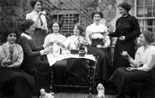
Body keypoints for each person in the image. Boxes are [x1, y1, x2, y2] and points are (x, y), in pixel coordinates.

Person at [109, 30, 155, 98]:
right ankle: (120, 91)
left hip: (149, 72)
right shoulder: (140, 49)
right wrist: (129, 58)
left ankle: (122, 95)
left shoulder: (152, 50)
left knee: (126, 75)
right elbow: (137, 63)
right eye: (139, 37)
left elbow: (148, 67)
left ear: (147, 38)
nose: (139, 39)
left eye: (141, 37)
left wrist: (135, 69)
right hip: (141, 69)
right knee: (120, 70)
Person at [18, 19, 53, 95]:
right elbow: (30, 53)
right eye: (32, 27)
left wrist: (45, 46)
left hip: (31, 61)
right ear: (27, 27)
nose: (34, 29)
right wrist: (44, 52)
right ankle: (43, 89)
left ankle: (43, 88)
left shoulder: (27, 36)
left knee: (47, 64)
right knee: (47, 65)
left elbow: (34, 49)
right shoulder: (23, 38)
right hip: (27, 63)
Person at [0, 28, 37, 97]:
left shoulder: (19, 47)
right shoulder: (2, 48)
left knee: (29, 78)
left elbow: (19, 62)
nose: (13, 38)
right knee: (18, 77)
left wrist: (11, 66)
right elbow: (3, 62)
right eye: (10, 36)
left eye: (14, 36)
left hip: (15, 68)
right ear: (6, 37)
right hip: (4, 70)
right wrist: (9, 54)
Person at [108, 2, 140, 73]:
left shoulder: (133, 19)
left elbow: (137, 32)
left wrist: (126, 37)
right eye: (119, 10)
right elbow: (117, 33)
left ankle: (126, 80)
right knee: (118, 61)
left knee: (125, 61)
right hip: (119, 44)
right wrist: (109, 33)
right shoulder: (118, 20)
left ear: (126, 9)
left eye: (121, 9)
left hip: (129, 43)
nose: (120, 11)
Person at [85, 11, 111, 85]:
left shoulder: (104, 27)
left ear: (100, 18)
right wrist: (91, 44)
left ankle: (104, 79)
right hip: (93, 46)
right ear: (93, 18)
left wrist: (105, 45)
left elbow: (107, 39)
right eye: (95, 17)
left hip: (101, 45)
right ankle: (98, 78)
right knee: (102, 56)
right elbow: (87, 39)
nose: (97, 18)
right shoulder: (89, 28)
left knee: (106, 56)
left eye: (98, 17)